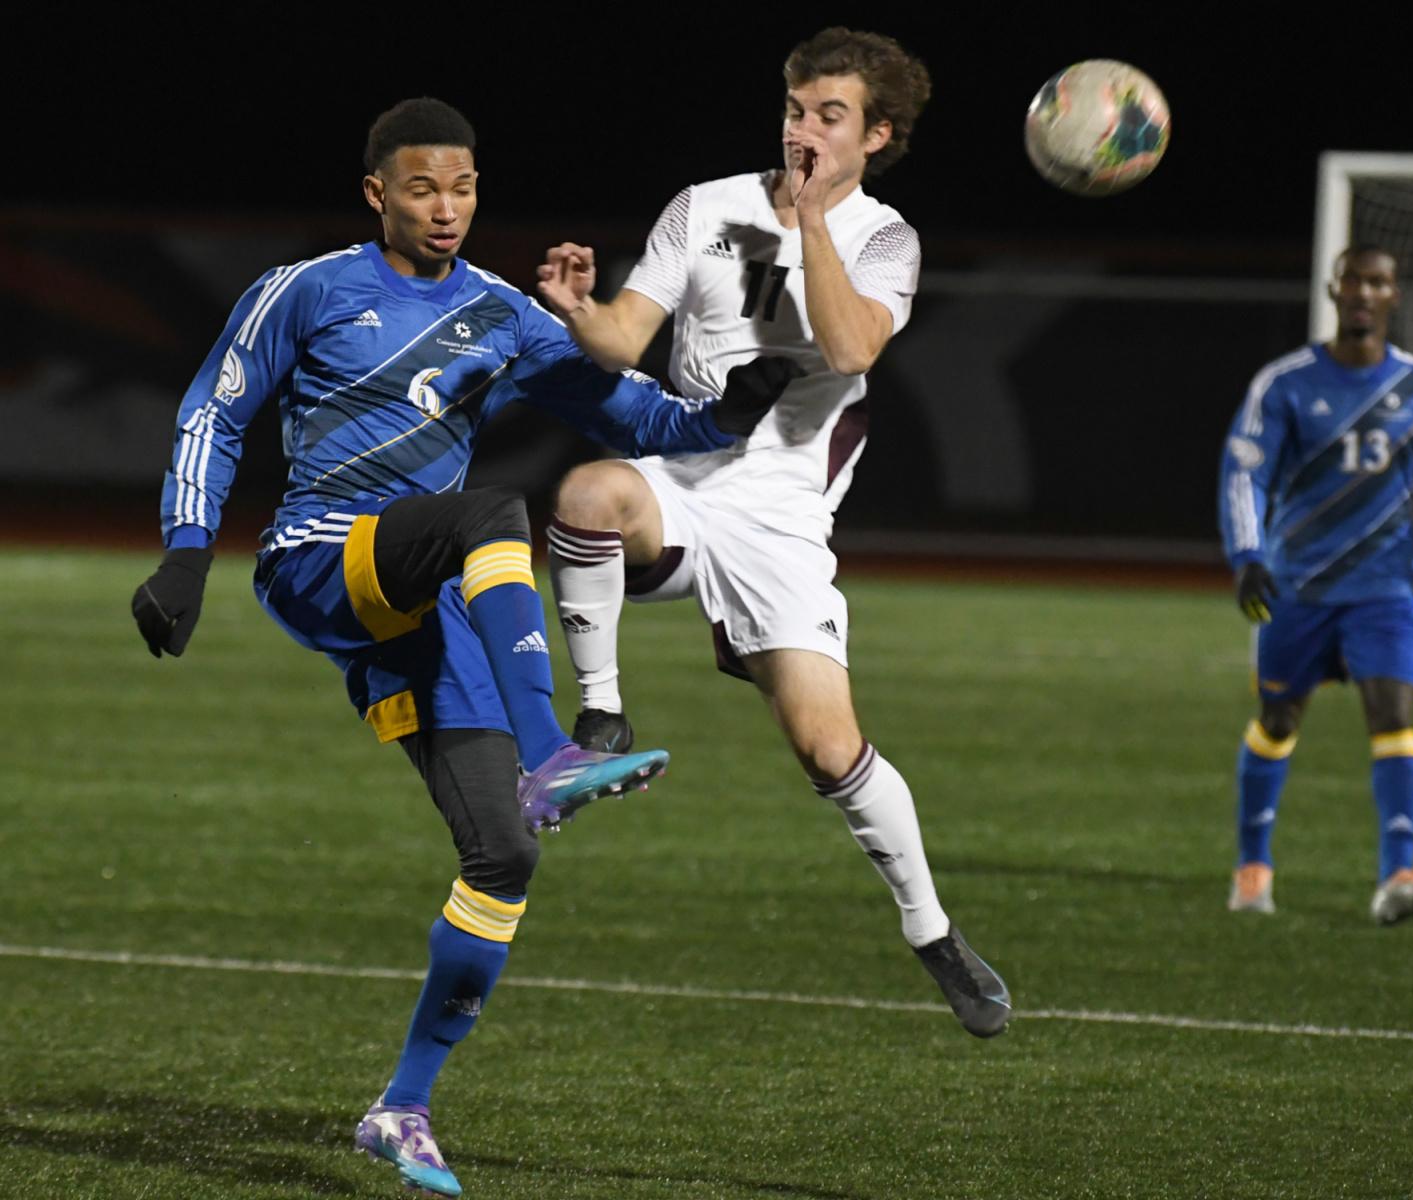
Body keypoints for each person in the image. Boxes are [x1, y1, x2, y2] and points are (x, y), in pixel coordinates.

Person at [130, 97, 796, 1198]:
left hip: (428, 600)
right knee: (492, 511)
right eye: (425, 188)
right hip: (318, 558)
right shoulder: (306, 289)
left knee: (504, 854)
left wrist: (732, 410)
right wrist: (187, 552)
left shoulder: (501, 312)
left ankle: (401, 1108)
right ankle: (553, 747)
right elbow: (216, 405)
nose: (447, 209)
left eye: (465, 188)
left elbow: (636, 416)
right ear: (378, 195)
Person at [533, 27, 1009, 1038]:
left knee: (828, 750)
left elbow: (847, 344)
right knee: (584, 495)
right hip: (682, 468)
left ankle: (930, 933)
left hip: (782, 513)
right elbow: (626, 336)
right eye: (795, 109)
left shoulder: (885, 239)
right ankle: (601, 719)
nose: (803, 132)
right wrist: (578, 310)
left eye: (829, 117)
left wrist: (806, 225)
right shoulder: (705, 206)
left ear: (877, 134)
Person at [1217, 244, 1413, 926]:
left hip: (1387, 590)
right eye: (1353, 279)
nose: (1364, 291)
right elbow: (1245, 471)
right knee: (1277, 721)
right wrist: (1247, 555)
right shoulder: (1286, 383)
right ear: (1334, 290)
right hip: (1298, 587)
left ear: (1393, 296)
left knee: (1393, 715)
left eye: (1378, 282)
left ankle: (1397, 876)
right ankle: (1253, 865)